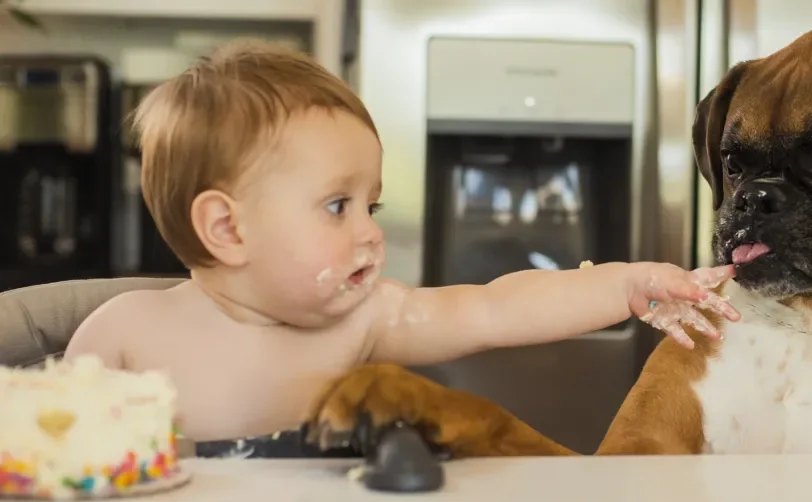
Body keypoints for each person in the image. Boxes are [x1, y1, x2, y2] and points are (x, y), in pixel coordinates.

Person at [64, 41, 741, 444]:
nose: (369, 232)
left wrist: (623, 286)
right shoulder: (124, 336)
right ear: (228, 229)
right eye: (337, 206)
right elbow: (48, 464)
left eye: (371, 204)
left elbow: (497, 308)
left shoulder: (364, 320)